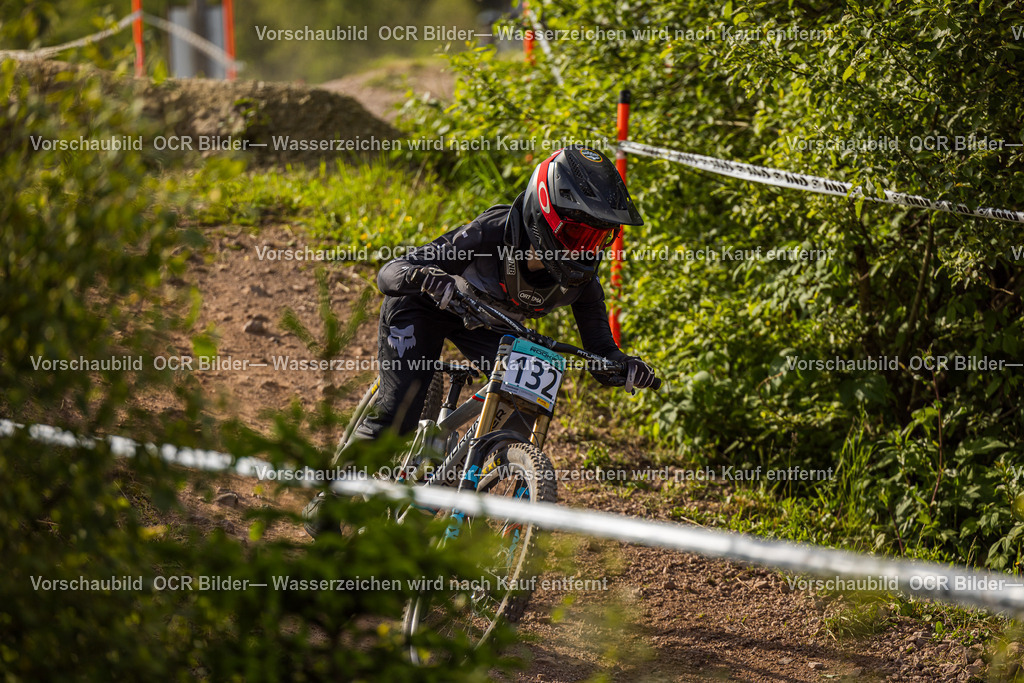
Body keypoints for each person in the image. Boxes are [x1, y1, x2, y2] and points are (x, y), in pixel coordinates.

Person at [303, 145, 657, 537]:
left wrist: (620, 366)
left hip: (489, 325)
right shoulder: (494, 231)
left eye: (597, 239)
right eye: (577, 234)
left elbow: (600, 352)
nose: (585, 250)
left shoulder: (582, 282)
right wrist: (424, 277)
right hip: (424, 308)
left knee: (521, 412)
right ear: (545, 217)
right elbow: (390, 273)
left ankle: (465, 489)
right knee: (399, 411)